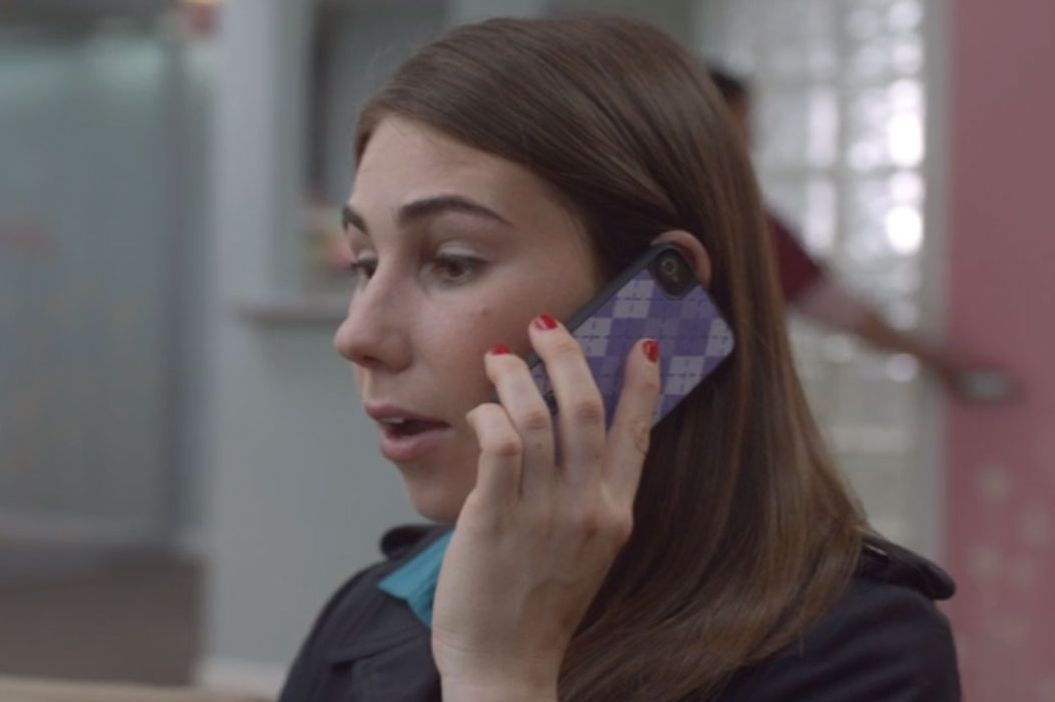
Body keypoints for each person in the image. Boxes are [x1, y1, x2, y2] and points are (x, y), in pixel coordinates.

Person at [278, 16, 960, 701]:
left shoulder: (862, 655)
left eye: (453, 262)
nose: (357, 335)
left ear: (650, 308)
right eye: (365, 263)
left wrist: (498, 673)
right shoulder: (364, 615)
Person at [709, 65, 1015, 401]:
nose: (751, 141)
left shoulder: (750, 225)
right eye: (741, 123)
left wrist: (940, 362)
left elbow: (826, 301)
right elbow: (830, 304)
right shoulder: (733, 221)